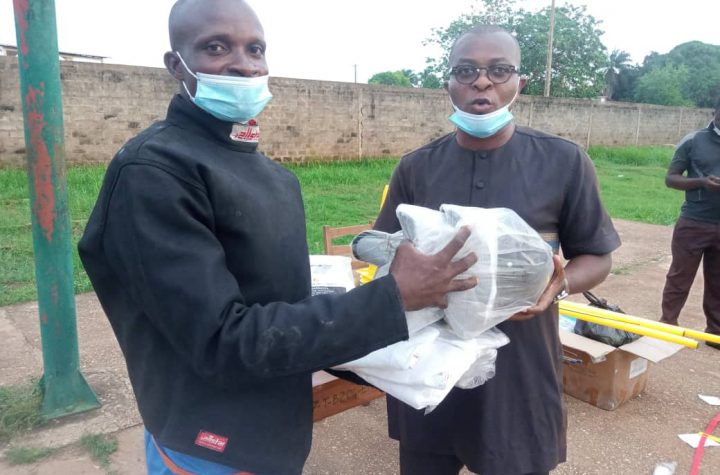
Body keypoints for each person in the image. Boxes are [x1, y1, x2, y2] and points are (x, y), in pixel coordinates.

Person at [77, 1, 478, 474]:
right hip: (208, 443)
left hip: (275, 427)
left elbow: (280, 304)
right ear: (176, 64)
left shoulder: (274, 176)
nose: (244, 64)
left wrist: (380, 327)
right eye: (216, 47)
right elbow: (220, 340)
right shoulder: (155, 172)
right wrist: (391, 298)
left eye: (255, 49)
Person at [373, 25, 621, 475]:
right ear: (448, 83)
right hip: (430, 363)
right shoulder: (416, 167)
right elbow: (384, 250)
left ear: (519, 82)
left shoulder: (564, 162)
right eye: (466, 71)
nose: (482, 82)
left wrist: (559, 284)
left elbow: (597, 255)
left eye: (499, 70)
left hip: (520, 367)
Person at [659, 98, 720, 349]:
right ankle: (667, 324)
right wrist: (702, 183)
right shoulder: (694, 141)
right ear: (715, 112)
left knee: (718, 281)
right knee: (680, 277)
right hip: (694, 222)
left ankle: (715, 332)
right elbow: (671, 179)